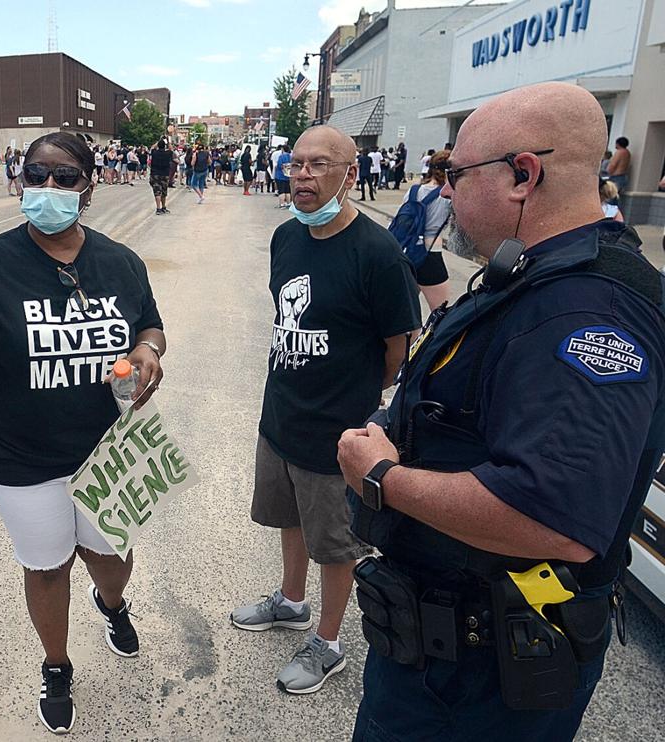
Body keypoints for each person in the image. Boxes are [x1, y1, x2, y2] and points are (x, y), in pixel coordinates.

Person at [340, 81, 665, 742]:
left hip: (476, 679)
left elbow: (554, 516)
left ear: (523, 174)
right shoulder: (535, 276)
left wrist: (382, 478)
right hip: (447, 653)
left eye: (456, 174)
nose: (447, 191)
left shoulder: (585, 311)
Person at [0, 131, 166, 735]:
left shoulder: (120, 262)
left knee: (111, 557)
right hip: (20, 457)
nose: (49, 187)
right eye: (37, 175)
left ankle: (112, 604)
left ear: (89, 188)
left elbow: (150, 325)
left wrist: (149, 351)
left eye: (65, 176)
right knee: (48, 566)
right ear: (20, 183)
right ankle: (56, 664)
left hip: (109, 450)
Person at [231, 125, 420, 695]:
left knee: (336, 543)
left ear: (350, 173)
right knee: (290, 518)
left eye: (319, 165)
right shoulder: (286, 237)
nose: (303, 176)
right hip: (281, 415)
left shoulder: (379, 253)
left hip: (338, 432)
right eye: (295, 165)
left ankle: (330, 642)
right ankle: (291, 602)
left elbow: (396, 351)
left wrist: (358, 399)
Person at [410, 150, 454, 310]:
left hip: (409, 251)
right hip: (431, 253)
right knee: (441, 313)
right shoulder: (448, 195)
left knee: (405, 311)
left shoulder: (413, 191)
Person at [149, 139, 174, 215]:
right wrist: (168, 141)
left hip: (155, 174)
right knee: (164, 191)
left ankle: (158, 208)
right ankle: (163, 207)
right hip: (165, 174)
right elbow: (171, 149)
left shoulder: (154, 153)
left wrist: (158, 141)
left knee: (157, 192)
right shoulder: (168, 153)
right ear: (164, 146)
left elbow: (152, 148)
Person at [273, 144, 292, 208]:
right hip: (288, 176)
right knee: (287, 190)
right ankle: (288, 203)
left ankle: (282, 204)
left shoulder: (281, 156)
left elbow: (279, 165)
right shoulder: (290, 156)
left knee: (281, 191)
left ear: (283, 149)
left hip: (280, 175)